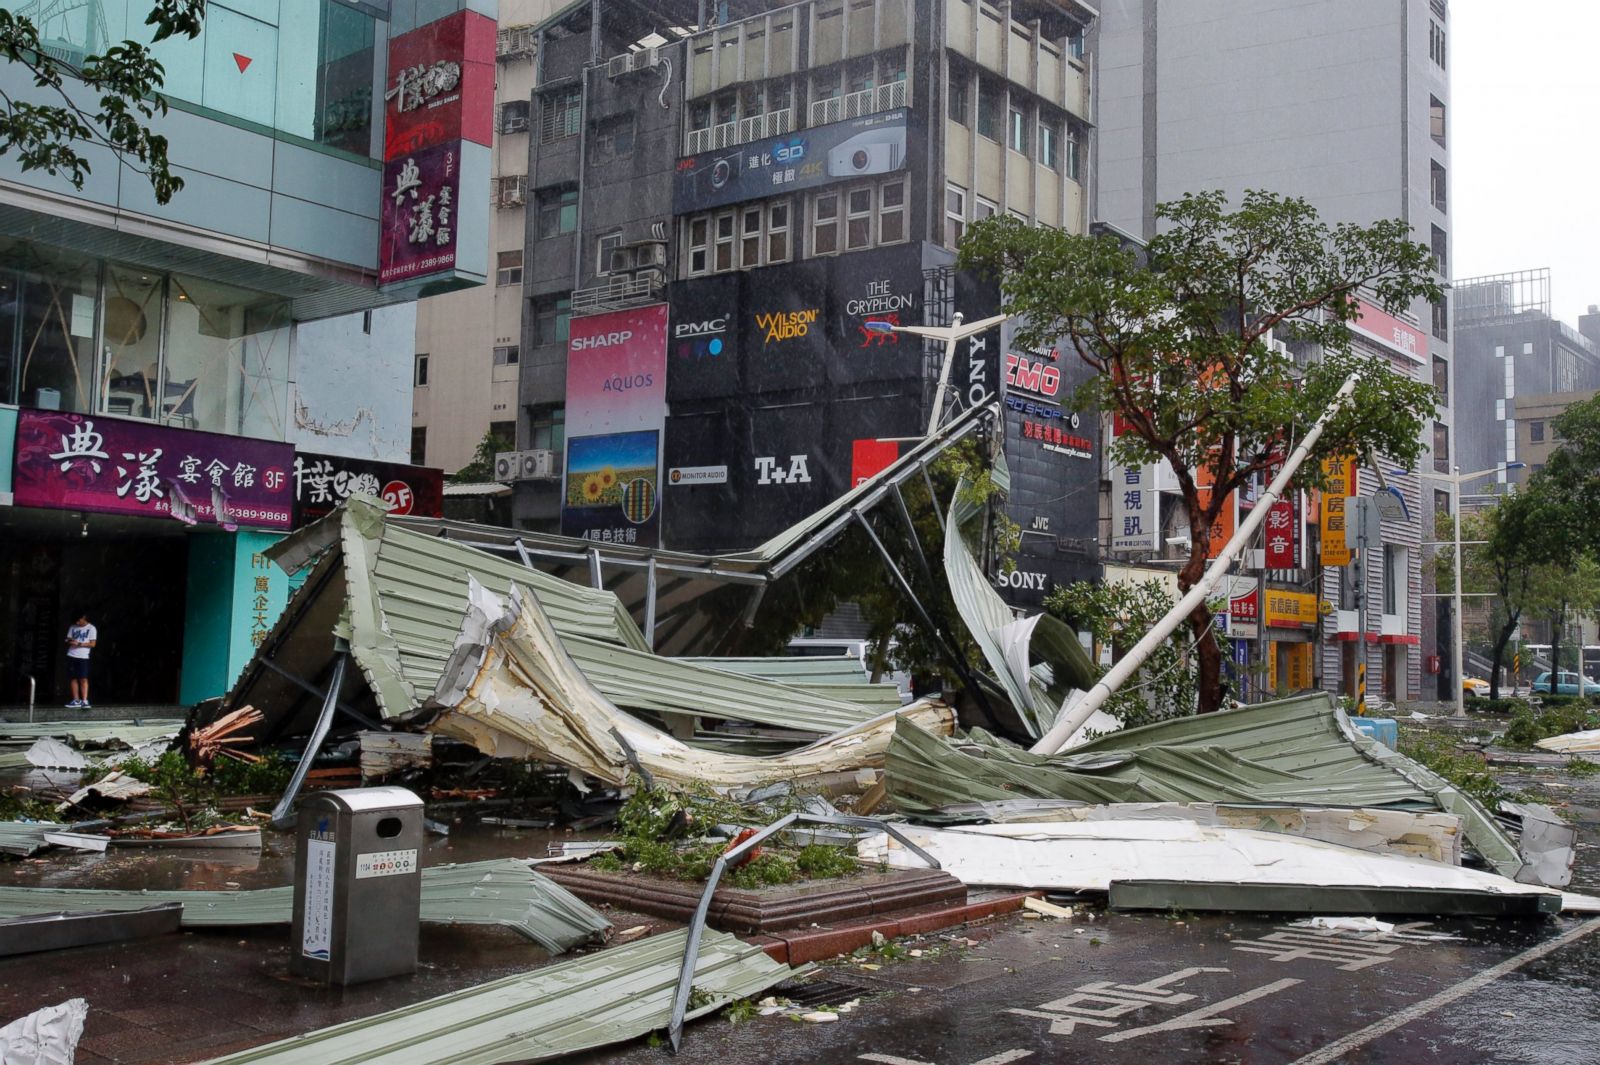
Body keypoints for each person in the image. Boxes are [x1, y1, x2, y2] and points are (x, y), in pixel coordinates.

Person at [65, 613, 96, 709]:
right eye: (76, 621)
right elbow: (67, 640)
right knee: (73, 678)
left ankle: (85, 700)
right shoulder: (73, 627)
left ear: (84, 617)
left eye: (79, 621)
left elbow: (93, 644)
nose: (77, 623)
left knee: (83, 678)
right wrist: (70, 642)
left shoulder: (91, 628)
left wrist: (79, 644)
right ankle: (76, 700)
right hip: (71, 654)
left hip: (83, 656)